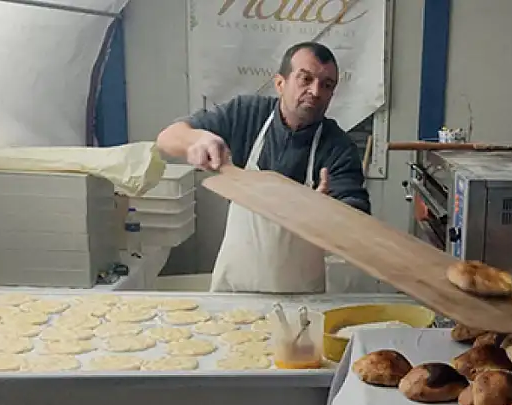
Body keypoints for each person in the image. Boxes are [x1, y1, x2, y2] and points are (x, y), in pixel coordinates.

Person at [156, 41, 370, 293]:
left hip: (300, 298)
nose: (315, 91)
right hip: (234, 289)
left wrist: (329, 216)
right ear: (280, 83)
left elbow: (357, 223)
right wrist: (197, 139)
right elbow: (167, 138)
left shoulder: (338, 147)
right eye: (305, 79)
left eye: (327, 85)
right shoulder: (247, 114)